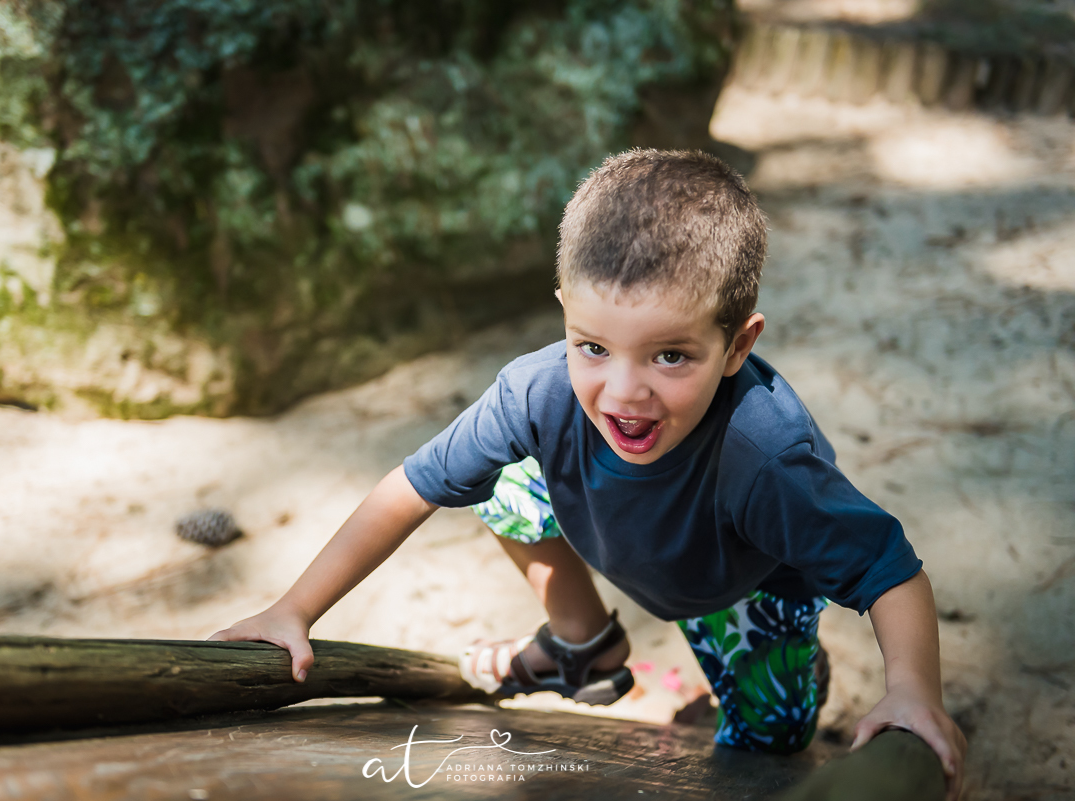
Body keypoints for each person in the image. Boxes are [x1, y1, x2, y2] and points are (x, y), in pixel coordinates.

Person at [209, 149, 966, 798]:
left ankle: (791, 676)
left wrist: (912, 692)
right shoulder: (535, 392)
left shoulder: (764, 459)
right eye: (593, 347)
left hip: (743, 583)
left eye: (671, 355)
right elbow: (412, 487)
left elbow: (889, 569)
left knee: (770, 743)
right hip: (620, 527)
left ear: (738, 345)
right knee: (504, 483)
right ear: (565, 313)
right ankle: (583, 642)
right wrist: (294, 609)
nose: (624, 392)